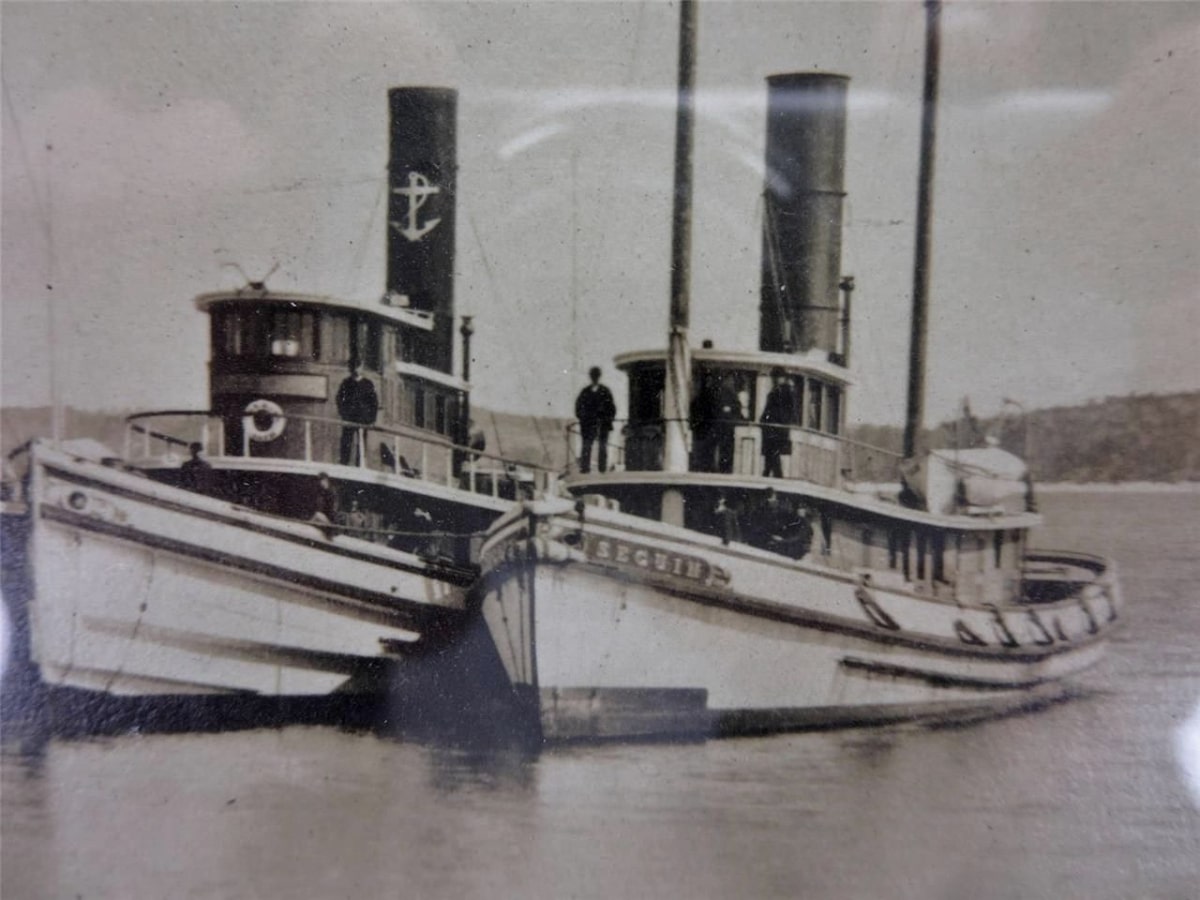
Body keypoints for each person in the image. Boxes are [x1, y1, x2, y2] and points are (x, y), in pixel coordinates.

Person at [336, 360, 378, 466]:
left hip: (362, 419)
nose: (356, 370)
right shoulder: (346, 383)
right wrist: (343, 413)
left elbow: (374, 403)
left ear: (362, 367)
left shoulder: (368, 384)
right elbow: (340, 399)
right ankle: (344, 463)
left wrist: (371, 419)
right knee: (346, 441)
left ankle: (359, 464)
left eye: (358, 367)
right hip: (349, 418)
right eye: (354, 367)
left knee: (361, 443)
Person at [575, 366, 616, 473]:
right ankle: (585, 468)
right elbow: (578, 408)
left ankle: (602, 468)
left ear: (599, 376)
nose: (594, 377)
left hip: (602, 424)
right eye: (593, 375)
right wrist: (584, 418)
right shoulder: (585, 392)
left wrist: (607, 419)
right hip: (588, 424)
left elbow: (611, 408)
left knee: (602, 447)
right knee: (587, 446)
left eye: (596, 375)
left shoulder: (605, 391)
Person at [759, 367, 797, 478]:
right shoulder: (774, 393)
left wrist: (780, 422)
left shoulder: (786, 393)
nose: (775, 380)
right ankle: (770, 472)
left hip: (778, 429)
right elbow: (768, 410)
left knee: (773, 451)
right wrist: (763, 420)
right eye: (774, 377)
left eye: (777, 377)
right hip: (772, 429)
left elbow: (787, 411)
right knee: (771, 452)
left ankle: (772, 473)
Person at [312, 472, 339, 538]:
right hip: (327, 518)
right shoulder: (324, 491)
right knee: (316, 516)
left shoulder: (331, 492)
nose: (320, 483)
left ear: (325, 480)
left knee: (317, 515)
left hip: (331, 522)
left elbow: (334, 509)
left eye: (321, 481)